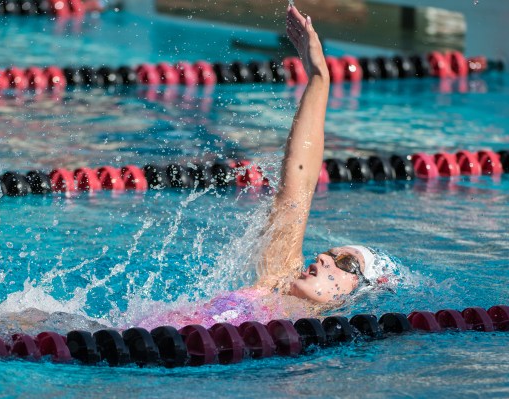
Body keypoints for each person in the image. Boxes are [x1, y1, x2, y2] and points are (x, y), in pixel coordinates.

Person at [135, 5, 398, 331]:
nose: (322, 259)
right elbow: (297, 186)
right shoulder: (275, 280)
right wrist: (319, 77)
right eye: (329, 254)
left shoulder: (308, 343)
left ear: (356, 294)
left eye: (344, 263)